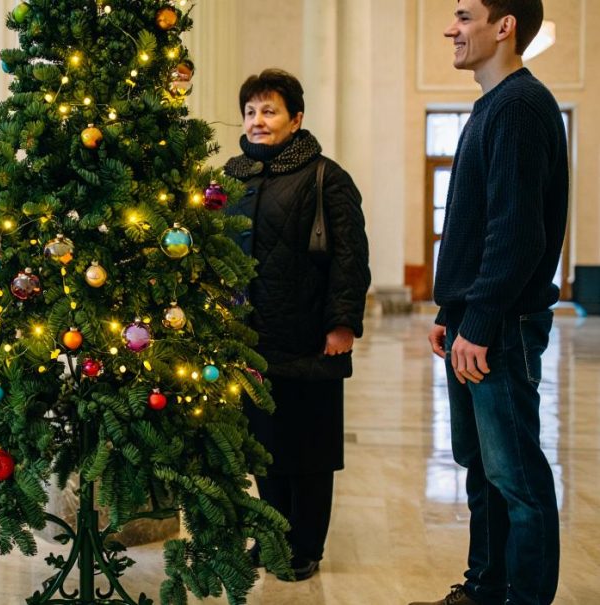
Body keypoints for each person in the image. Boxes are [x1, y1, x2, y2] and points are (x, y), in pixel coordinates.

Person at [411, 2, 568, 604]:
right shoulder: (491, 108)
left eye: (464, 16)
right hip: (476, 323)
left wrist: (476, 321)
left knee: (516, 477)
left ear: (504, 27)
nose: (451, 28)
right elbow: (476, 226)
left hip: (500, 326)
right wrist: (452, 314)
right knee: (482, 470)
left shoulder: (520, 107)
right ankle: (484, 589)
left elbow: (516, 231)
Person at [223, 68, 370, 582]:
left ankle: (305, 546)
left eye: (270, 111)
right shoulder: (232, 176)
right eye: (251, 111)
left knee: (307, 450)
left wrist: (343, 324)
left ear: (296, 118)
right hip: (250, 338)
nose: (258, 121)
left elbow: (351, 257)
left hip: (310, 337)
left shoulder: (326, 176)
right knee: (264, 447)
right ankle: (271, 540)